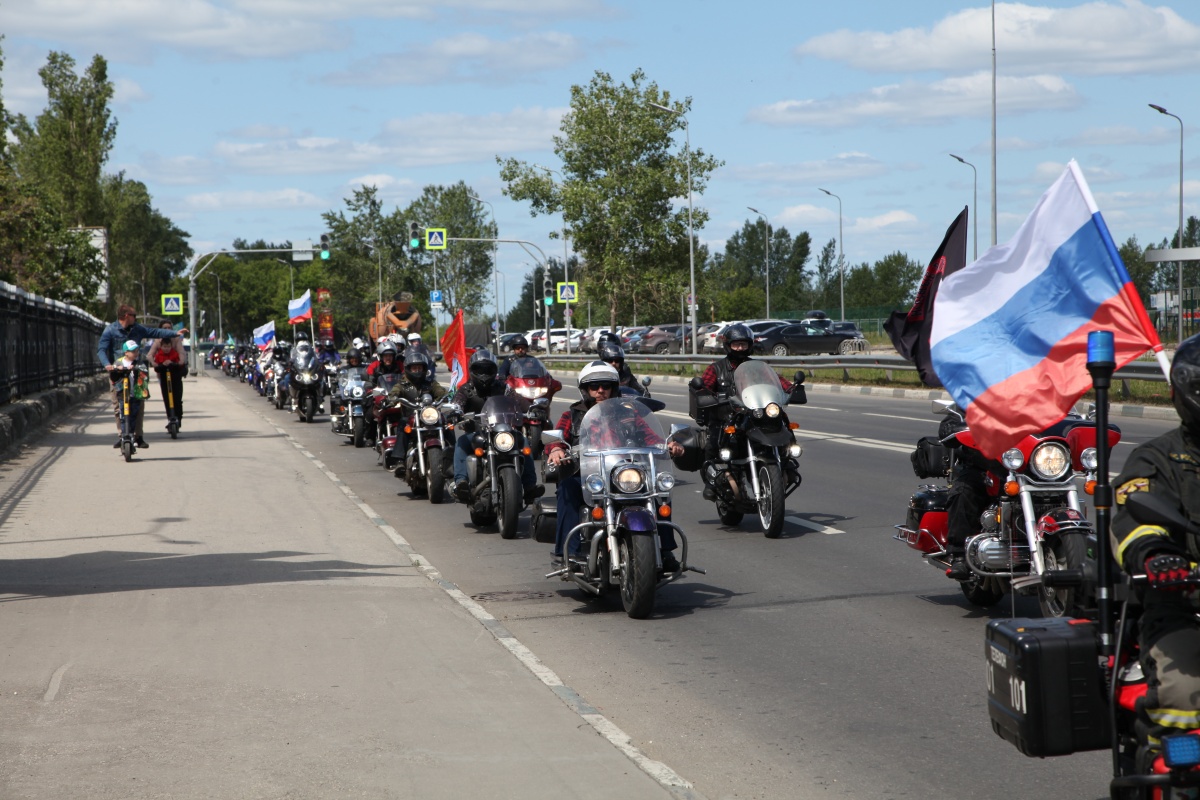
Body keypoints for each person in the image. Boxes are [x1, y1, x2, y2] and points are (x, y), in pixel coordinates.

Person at [1111, 334, 1200, 748]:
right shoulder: (1158, 458)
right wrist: (1158, 556)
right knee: (1183, 692)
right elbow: (1134, 519)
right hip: (1184, 606)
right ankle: (1168, 772)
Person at [545, 362, 684, 570]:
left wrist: (668, 445)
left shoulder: (629, 414)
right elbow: (558, 439)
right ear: (585, 390)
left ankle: (665, 550)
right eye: (594, 386)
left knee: (658, 491)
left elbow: (652, 438)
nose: (600, 390)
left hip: (623, 472)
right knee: (567, 488)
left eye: (605, 386)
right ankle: (568, 554)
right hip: (587, 474)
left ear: (613, 388)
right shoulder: (572, 415)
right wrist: (556, 449)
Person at [696, 322, 799, 499]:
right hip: (727, 416)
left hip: (753, 414)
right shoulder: (716, 368)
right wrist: (705, 393)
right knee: (714, 439)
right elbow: (703, 387)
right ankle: (710, 482)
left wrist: (791, 389)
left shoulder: (758, 367)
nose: (740, 347)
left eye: (743, 344)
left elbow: (778, 381)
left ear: (750, 345)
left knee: (781, 422)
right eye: (736, 344)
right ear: (728, 345)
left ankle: (787, 459)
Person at [451, 349, 542, 504]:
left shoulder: (503, 387)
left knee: (523, 442)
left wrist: (533, 409)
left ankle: (529, 486)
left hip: (502, 432)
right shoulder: (466, 389)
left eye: (488, 370)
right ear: (473, 370)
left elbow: (518, 400)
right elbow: (457, 402)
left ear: (494, 370)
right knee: (461, 443)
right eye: (479, 370)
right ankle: (461, 483)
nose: (484, 374)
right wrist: (455, 411)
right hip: (478, 433)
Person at [97, 304, 185, 448]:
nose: (136, 318)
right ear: (126, 316)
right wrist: (107, 365)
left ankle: (138, 436)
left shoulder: (137, 329)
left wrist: (174, 333)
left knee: (138, 404)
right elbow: (101, 350)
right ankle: (123, 435)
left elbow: (155, 332)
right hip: (118, 372)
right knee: (118, 406)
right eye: (134, 315)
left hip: (137, 371)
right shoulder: (111, 330)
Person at [387, 350, 449, 468]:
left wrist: (446, 396)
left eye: (419, 368)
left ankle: (452, 453)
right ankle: (399, 460)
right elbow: (394, 393)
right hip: (411, 417)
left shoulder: (430, 383)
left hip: (429, 416)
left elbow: (441, 392)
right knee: (403, 425)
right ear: (408, 369)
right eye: (414, 368)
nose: (417, 371)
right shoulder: (402, 385)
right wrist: (393, 398)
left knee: (446, 424)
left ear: (424, 369)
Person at [147, 334, 188, 429]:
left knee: (177, 399)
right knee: (167, 399)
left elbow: (180, 360)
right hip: (165, 379)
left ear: (171, 346)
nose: (166, 349)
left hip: (175, 377)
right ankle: (170, 417)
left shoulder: (175, 352)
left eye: (168, 346)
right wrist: (156, 364)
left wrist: (175, 363)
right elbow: (154, 361)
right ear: (161, 346)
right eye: (164, 347)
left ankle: (178, 417)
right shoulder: (159, 354)